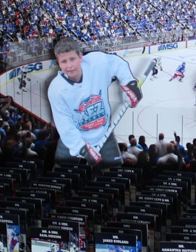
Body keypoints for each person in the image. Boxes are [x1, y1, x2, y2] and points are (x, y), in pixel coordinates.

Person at [47, 38, 142, 168]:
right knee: (62, 175)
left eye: (72, 59)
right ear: (58, 63)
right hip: (72, 141)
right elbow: (65, 125)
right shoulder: (56, 89)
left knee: (115, 174)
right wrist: (82, 149)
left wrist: (130, 83)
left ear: (80, 57)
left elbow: (117, 64)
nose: (69, 66)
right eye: (64, 61)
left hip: (104, 134)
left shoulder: (97, 62)